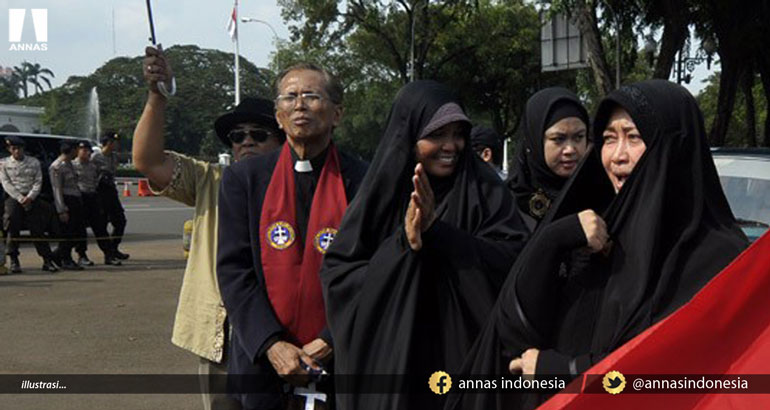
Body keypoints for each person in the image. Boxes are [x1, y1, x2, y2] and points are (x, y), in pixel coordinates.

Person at [444, 80, 749, 410]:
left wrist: (560, 370)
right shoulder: (603, 234)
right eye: (607, 139)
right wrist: (551, 241)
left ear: (673, 147)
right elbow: (514, 328)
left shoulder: (721, 258)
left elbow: (672, 375)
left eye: (633, 137)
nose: (617, 156)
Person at [320, 80, 528, 410]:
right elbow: (341, 276)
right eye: (436, 135)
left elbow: (513, 262)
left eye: (458, 134)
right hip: (397, 366)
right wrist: (405, 249)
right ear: (408, 136)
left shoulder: (485, 189)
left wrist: (441, 235)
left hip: (465, 362)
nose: (451, 146)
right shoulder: (381, 194)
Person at [134, 45, 285, 410]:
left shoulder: (301, 187)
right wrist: (157, 97)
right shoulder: (210, 181)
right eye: (237, 136)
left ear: (283, 139)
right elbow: (147, 160)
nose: (246, 140)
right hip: (224, 333)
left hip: (285, 332)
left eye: (259, 133)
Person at [216, 62, 368, 410]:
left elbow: (372, 269)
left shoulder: (364, 181)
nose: (299, 104)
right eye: (290, 96)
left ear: (337, 114)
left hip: (340, 354)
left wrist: (331, 338)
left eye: (312, 96)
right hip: (262, 356)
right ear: (279, 114)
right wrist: (271, 344)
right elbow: (234, 271)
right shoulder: (245, 180)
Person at [507, 88, 589, 232]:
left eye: (579, 137)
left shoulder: (601, 192)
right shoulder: (508, 205)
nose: (570, 149)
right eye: (558, 139)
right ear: (535, 142)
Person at [0, 136, 59, 273]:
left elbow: (38, 181)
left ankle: (47, 260)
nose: (16, 151)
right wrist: (20, 198)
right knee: (12, 226)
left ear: (23, 149)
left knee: (38, 229)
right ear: (9, 149)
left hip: (32, 197)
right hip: (15, 197)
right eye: (13, 149)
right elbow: (6, 183)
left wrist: (31, 197)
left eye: (19, 148)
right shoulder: (3, 164)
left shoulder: (33, 162)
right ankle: (14, 260)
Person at [72, 140, 122, 266]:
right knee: (81, 229)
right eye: (83, 150)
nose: (86, 153)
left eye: (88, 150)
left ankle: (108, 254)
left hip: (93, 196)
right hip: (80, 197)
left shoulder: (93, 166)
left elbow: (97, 180)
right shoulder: (72, 166)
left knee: (100, 227)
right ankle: (82, 255)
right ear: (77, 151)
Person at [49, 140, 86, 271]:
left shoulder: (70, 164)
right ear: (71, 150)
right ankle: (65, 259)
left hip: (75, 200)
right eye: (76, 149)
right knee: (67, 233)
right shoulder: (57, 166)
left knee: (76, 232)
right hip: (66, 201)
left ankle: (56, 256)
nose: (78, 152)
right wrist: (61, 209)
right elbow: (56, 189)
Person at [92, 131, 129, 260]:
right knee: (101, 224)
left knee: (120, 221)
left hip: (111, 192)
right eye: (115, 142)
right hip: (99, 193)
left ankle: (114, 248)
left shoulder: (114, 157)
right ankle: (108, 252)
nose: (117, 145)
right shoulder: (95, 157)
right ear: (108, 143)